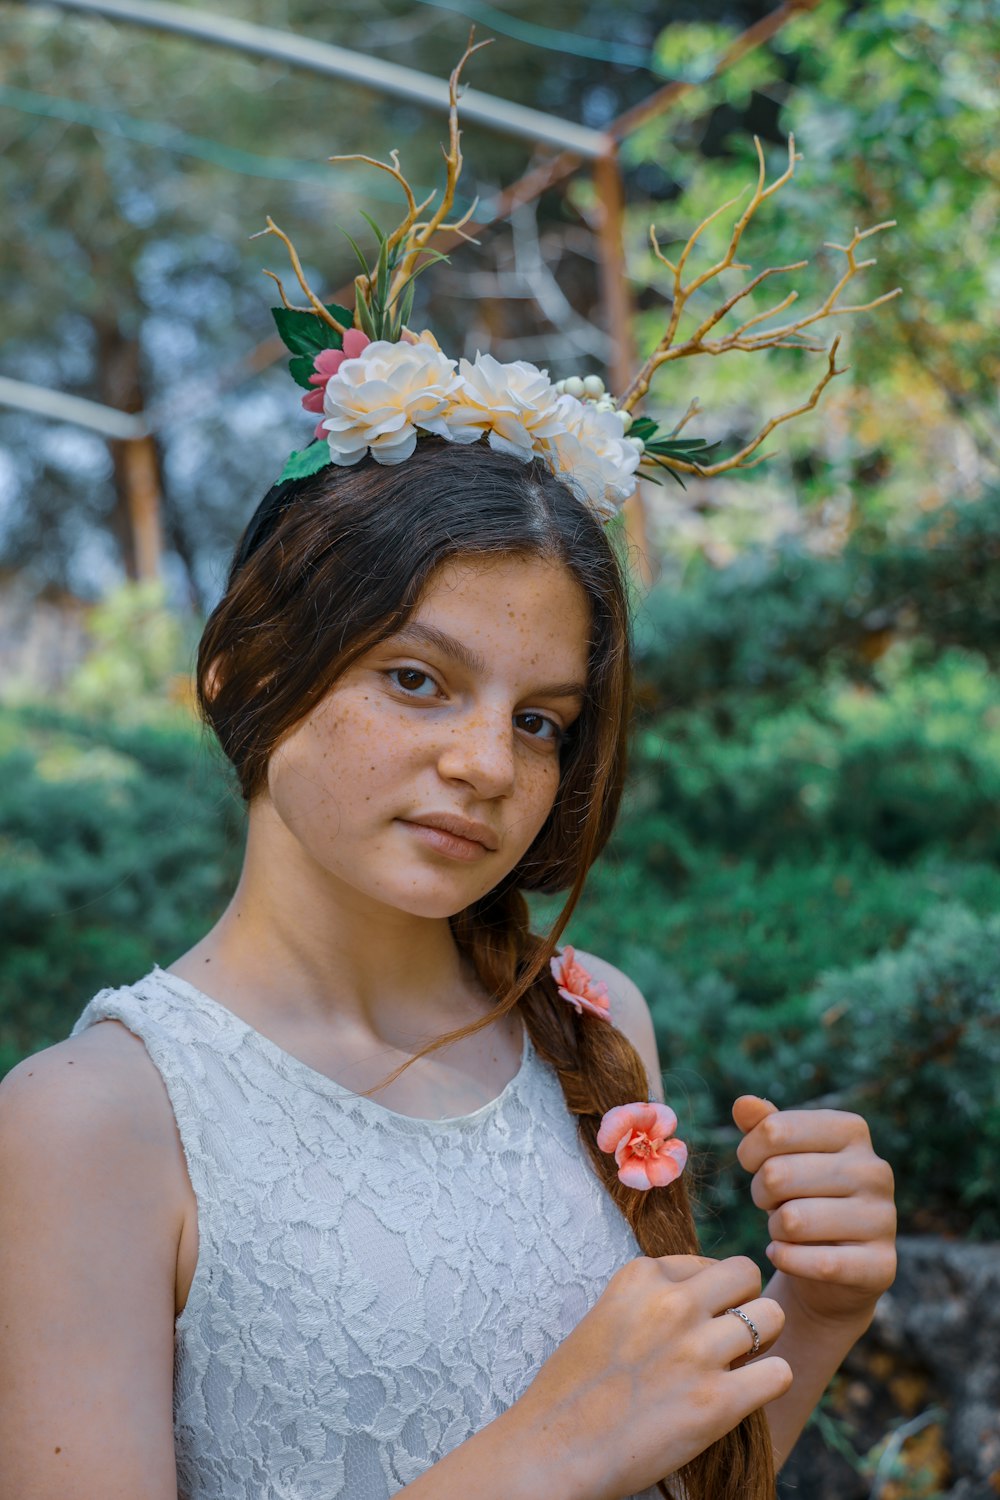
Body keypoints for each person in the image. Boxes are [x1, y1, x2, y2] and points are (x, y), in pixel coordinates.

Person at [0, 52, 897, 1500]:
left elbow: (664, 1484)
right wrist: (545, 1450)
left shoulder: (594, 1021)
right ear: (242, 676)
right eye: (415, 681)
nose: (487, 762)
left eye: (544, 719)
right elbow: (574, 1461)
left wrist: (822, 1311)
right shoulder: (92, 1123)